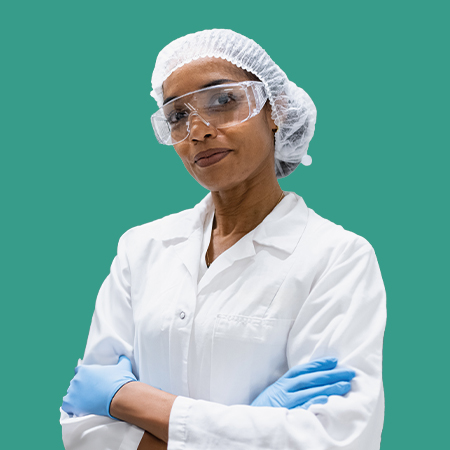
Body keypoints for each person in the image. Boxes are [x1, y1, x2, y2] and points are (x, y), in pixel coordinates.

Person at [60, 29, 386, 450]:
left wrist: (130, 400)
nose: (197, 130)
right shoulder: (141, 249)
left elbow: (338, 439)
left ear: (276, 110)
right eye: (178, 115)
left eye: (223, 100)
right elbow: (82, 427)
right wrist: (251, 430)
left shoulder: (337, 258)